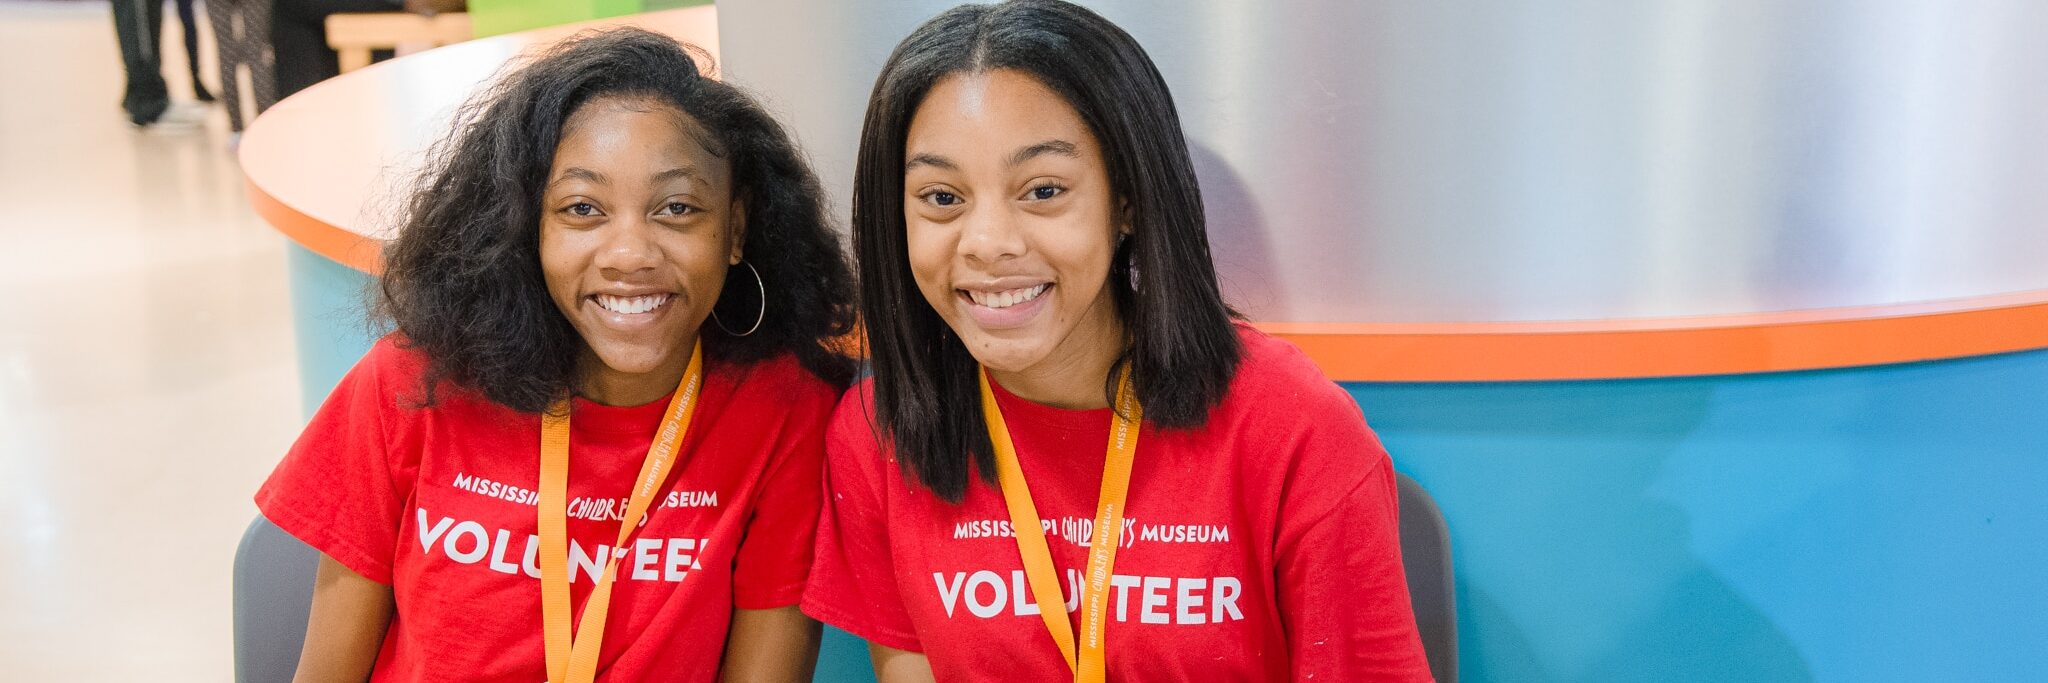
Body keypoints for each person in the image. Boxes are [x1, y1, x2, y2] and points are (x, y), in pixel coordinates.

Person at [801, 1, 1435, 680]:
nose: (987, 243)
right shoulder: (880, 436)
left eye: (1044, 190)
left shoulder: (1293, 428)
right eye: (942, 198)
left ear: (1125, 200)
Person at [256, 28, 853, 682]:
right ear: (527, 223)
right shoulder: (414, 380)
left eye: (677, 208)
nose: (629, 254)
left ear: (734, 228)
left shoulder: (781, 410)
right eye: (582, 208)